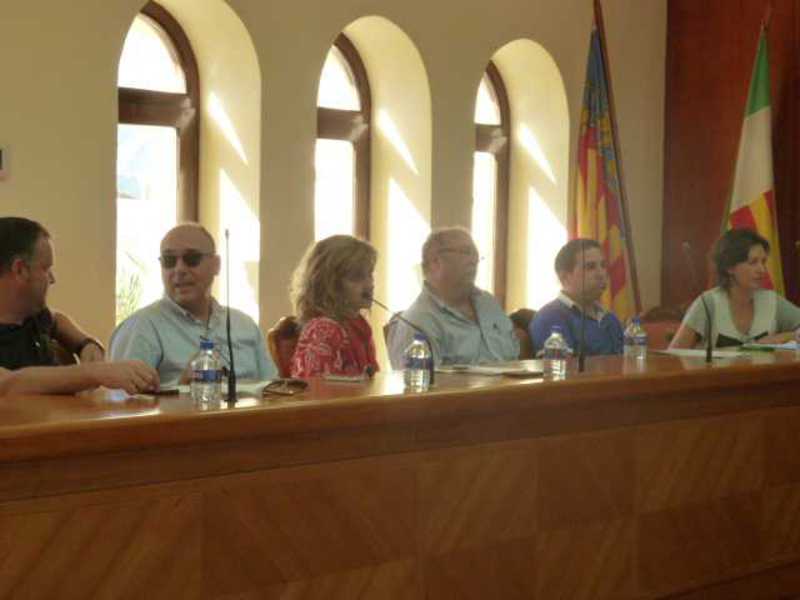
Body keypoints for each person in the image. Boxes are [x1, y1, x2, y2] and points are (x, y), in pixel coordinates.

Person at [0, 216, 158, 395]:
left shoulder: (33, 316)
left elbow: (56, 319)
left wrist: (85, 344)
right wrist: (95, 373)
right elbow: (7, 384)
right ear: (20, 269)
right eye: (46, 269)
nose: (52, 279)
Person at [110, 223, 276, 386]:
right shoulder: (142, 326)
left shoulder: (244, 325)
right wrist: (181, 387)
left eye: (192, 259)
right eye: (169, 260)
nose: (179, 269)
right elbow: (121, 399)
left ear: (216, 265)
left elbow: (272, 390)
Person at [386, 227, 518, 367]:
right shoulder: (418, 322)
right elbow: (419, 380)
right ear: (436, 262)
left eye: (476, 254)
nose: (474, 260)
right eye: (466, 252)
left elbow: (515, 356)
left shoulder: (488, 302)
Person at [670, 228, 800, 349]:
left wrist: (782, 337)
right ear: (730, 267)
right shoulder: (707, 303)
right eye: (753, 262)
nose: (762, 270)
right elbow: (673, 356)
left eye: (763, 262)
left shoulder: (772, 301)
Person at [289, 235, 379, 378]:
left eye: (370, 275)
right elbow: (318, 388)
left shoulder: (359, 324)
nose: (370, 284)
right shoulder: (322, 330)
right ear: (330, 284)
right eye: (357, 277)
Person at [530, 239, 624, 356]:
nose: (601, 274)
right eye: (590, 267)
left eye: (603, 265)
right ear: (565, 277)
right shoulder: (549, 317)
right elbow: (561, 366)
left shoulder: (610, 318)